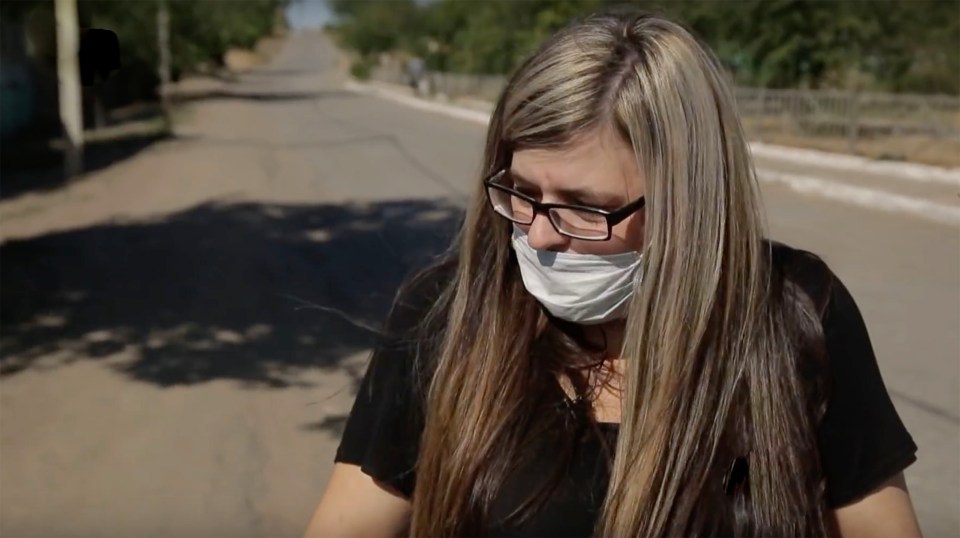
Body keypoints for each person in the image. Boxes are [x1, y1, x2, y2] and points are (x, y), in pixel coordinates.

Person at [304, 10, 921, 538]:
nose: (539, 233)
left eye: (585, 205)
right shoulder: (451, 312)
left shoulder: (794, 313)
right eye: (519, 192)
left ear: (689, 201)